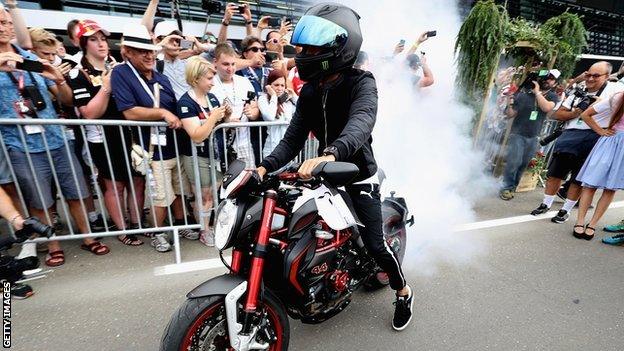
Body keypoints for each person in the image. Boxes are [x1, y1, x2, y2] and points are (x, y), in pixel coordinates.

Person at [257, 3, 412, 331]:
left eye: (312, 47)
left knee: (375, 245)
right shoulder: (311, 91)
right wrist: (262, 168)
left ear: (339, 47)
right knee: (304, 229)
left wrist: (331, 153)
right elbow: (292, 138)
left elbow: (361, 124)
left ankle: (403, 291)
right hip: (322, 174)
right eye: (303, 46)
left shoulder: (362, 83)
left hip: (357, 175)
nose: (304, 53)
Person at [0, 9, 110, 266]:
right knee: (40, 199)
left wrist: (58, 80)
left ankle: (88, 238)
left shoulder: (27, 56)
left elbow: (65, 99)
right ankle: (53, 244)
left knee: (77, 192)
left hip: (56, 138)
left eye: (7, 22)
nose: (6, 27)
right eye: (0, 23)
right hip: (20, 143)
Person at [111, 23, 196, 252]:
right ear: (127, 51)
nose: (149, 55)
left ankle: (181, 225)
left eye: (150, 50)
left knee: (179, 190)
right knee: (160, 195)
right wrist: (161, 113)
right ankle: (158, 233)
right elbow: (129, 112)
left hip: (174, 144)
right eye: (142, 51)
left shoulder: (161, 76)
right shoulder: (121, 73)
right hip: (151, 149)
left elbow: (175, 105)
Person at [67, 19, 146, 246]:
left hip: (130, 133)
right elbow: (89, 113)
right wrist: (106, 85)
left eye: (103, 39)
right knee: (115, 185)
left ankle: (138, 224)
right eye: (94, 39)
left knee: (137, 180)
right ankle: (122, 230)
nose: (101, 44)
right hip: (101, 137)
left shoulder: (120, 65)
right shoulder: (77, 73)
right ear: (83, 43)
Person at [530, 62, 624, 222]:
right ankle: (546, 204)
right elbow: (556, 114)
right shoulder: (579, 90)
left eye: (596, 76)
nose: (590, 78)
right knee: (555, 173)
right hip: (570, 134)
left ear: (607, 76)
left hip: (595, 136)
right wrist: (577, 111)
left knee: (578, 178)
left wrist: (599, 110)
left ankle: (565, 210)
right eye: (588, 74)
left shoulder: (615, 90)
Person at [177, 56, 230, 246]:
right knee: (204, 195)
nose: (212, 82)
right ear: (196, 78)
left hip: (214, 154)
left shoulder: (212, 98)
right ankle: (204, 230)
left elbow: (218, 125)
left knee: (213, 194)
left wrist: (225, 116)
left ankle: (208, 225)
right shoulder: (185, 102)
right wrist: (214, 116)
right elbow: (197, 135)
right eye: (209, 78)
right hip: (196, 155)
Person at [499, 70, 560, 200]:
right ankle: (506, 188)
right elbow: (510, 114)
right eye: (546, 78)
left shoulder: (552, 97)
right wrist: (510, 100)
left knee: (523, 163)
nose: (547, 80)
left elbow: (547, 108)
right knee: (514, 162)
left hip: (534, 136)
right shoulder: (524, 95)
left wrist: (537, 92)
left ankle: (512, 187)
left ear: (555, 83)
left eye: (551, 79)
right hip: (517, 134)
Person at [573, 92, 624, 242]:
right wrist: (600, 130)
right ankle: (580, 221)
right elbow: (586, 114)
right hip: (610, 142)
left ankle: (593, 224)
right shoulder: (617, 97)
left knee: (610, 188)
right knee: (590, 184)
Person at [211, 43, 260, 168]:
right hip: (220, 145)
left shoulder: (244, 81)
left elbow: (255, 107)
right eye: (226, 64)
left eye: (233, 64)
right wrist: (225, 121)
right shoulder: (210, 83)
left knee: (248, 183)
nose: (230, 68)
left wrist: (253, 113)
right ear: (215, 62)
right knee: (223, 185)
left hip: (244, 144)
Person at [258, 70, 297, 157]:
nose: (280, 88)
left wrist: (294, 96)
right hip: (272, 149)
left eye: (282, 85)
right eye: (276, 85)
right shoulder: (263, 99)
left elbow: (304, 110)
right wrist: (274, 96)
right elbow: (269, 116)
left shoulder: (288, 102)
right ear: (269, 85)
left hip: (288, 148)